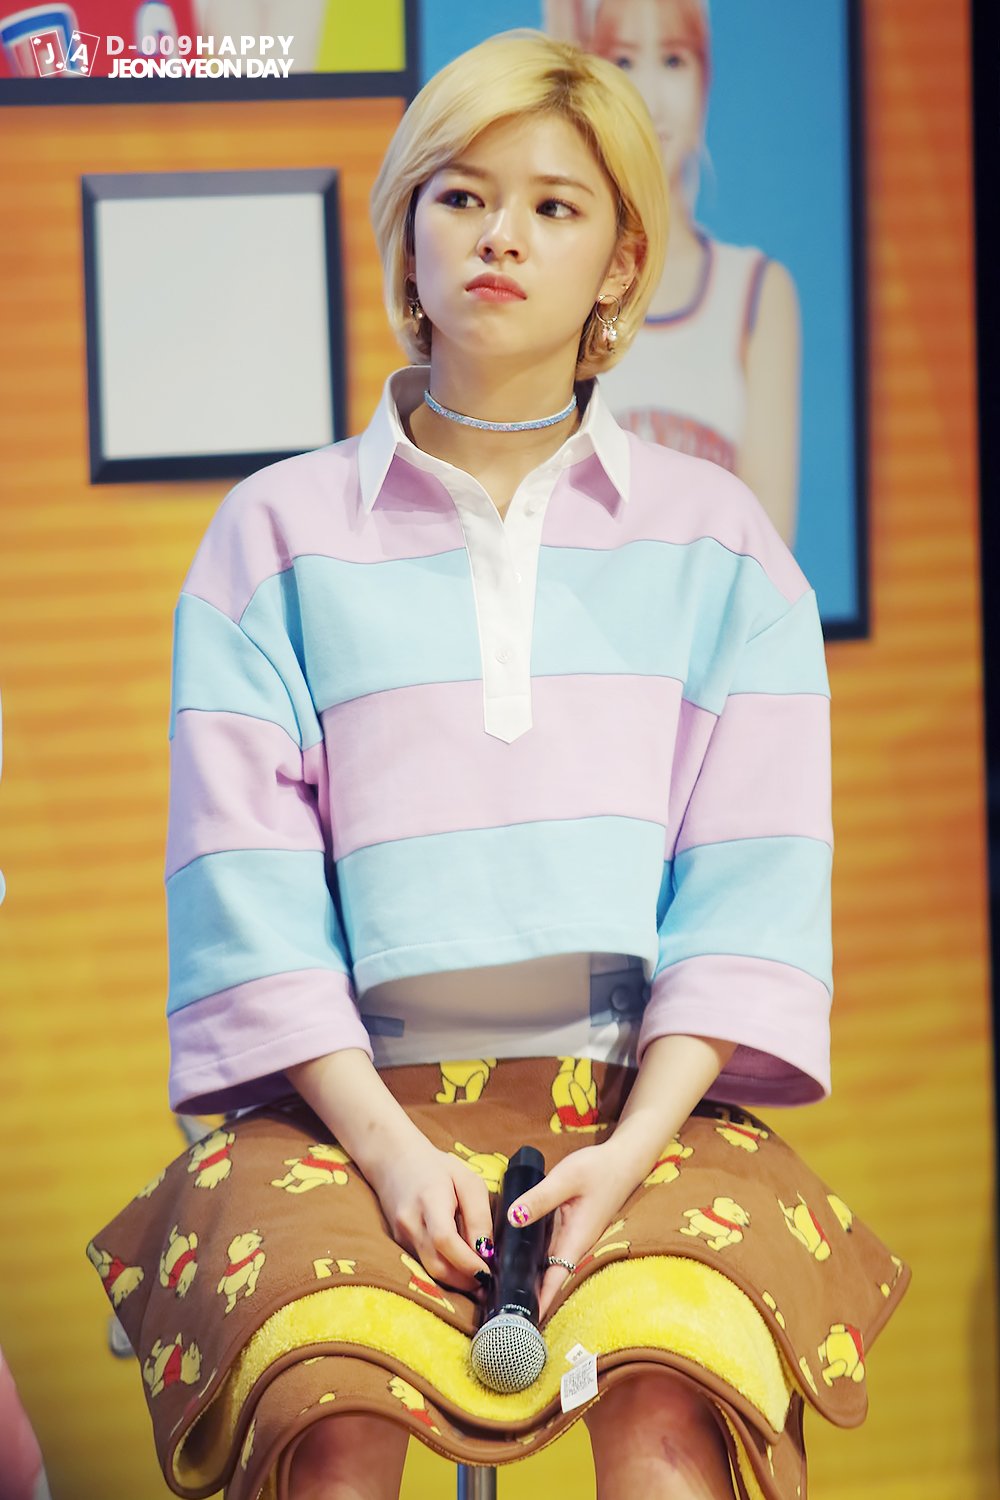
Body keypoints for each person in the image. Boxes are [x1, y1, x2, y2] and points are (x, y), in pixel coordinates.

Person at [86, 28, 906, 1500]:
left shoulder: (721, 546)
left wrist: (631, 1145)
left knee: (671, 1408)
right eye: (460, 197)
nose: (500, 236)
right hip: (340, 1116)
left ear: (620, 260)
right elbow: (249, 897)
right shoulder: (271, 538)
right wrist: (392, 1154)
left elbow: (750, 896)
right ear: (406, 234)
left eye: (552, 205)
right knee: (327, 1416)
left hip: (636, 1115)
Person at [546, 0, 801, 548]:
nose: (652, 97)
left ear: (704, 80)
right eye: (623, 60)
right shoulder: (557, 278)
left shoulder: (756, 292)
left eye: (673, 60)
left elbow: (769, 549)